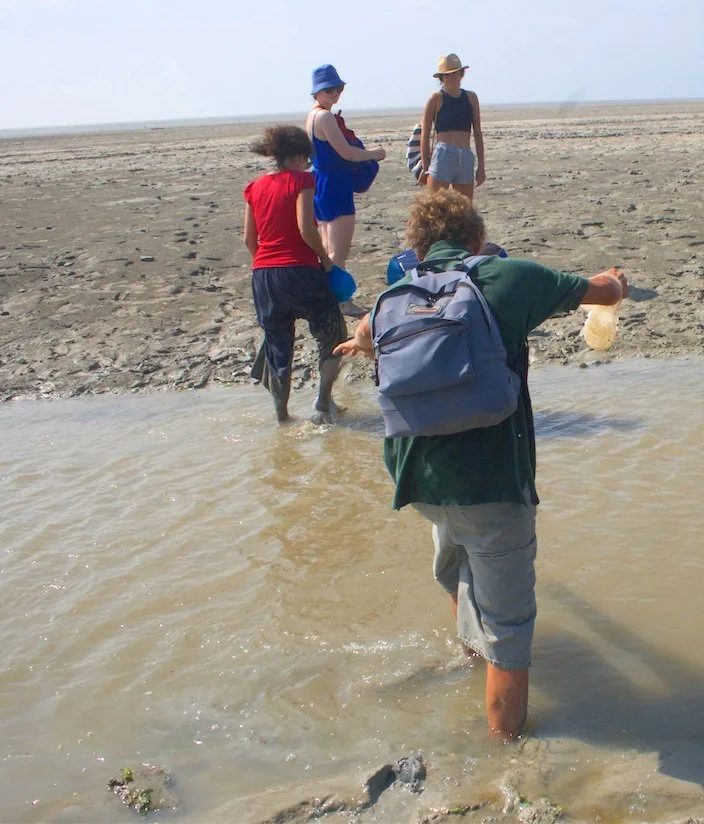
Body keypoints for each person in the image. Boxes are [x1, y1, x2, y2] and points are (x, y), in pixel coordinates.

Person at [335, 190, 628, 739]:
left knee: (456, 566)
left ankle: (470, 659)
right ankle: (504, 759)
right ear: (476, 239)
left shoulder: (395, 295)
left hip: (418, 481)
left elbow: (367, 338)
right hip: (491, 483)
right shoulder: (509, 277)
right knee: (509, 634)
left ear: (417, 248)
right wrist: (615, 280)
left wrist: (356, 345)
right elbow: (603, 291)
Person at [243, 125, 346, 425]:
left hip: (263, 275)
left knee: (277, 345)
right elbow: (306, 229)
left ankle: (283, 417)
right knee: (332, 334)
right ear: (300, 156)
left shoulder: (254, 187)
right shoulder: (302, 180)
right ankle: (322, 403)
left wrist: (267, 266)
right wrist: (325, 260)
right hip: (300, 270)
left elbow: (249, 240)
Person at [305, 64, 386, 318]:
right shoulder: (325, 118)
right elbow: (346, 153)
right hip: (335, 183)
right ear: (317, 92)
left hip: (321, 182)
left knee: (328, 247)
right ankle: (341, 301)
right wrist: (374, 154)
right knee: (338, 250)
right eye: (329, 90)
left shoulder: (312, 116)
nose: (335, 94)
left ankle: (330, 299)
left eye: (338, 88)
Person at [419, 54, 485, 200]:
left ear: (461, 74)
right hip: (443, 155)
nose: (451, 78)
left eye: (455, 73)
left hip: (465, 156)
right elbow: (425, 134)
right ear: (441, 78)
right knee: (435, 205)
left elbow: (477, 133)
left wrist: (481, 166)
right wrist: (425, 166)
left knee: (464, 207)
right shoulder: (435, 98)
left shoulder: (471, 97)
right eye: (447, 75)